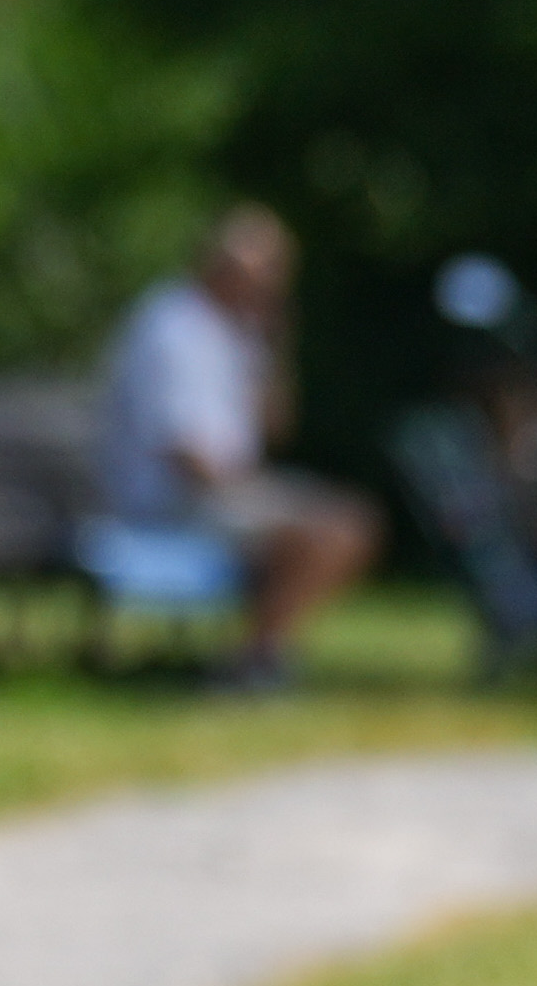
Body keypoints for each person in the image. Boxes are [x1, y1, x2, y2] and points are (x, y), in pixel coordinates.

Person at [93, 203, 376, 690]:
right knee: (328, 531)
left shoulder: (237, 333)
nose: (269, 285)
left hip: (217, 492)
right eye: (262, 271)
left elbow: (275, 429)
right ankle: (255, 660)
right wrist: (259, 498)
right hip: (170, 500)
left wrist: (276, 344)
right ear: (218, 263)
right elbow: (187, 453)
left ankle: (259, 655)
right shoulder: (172, 328)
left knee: (349, 521)